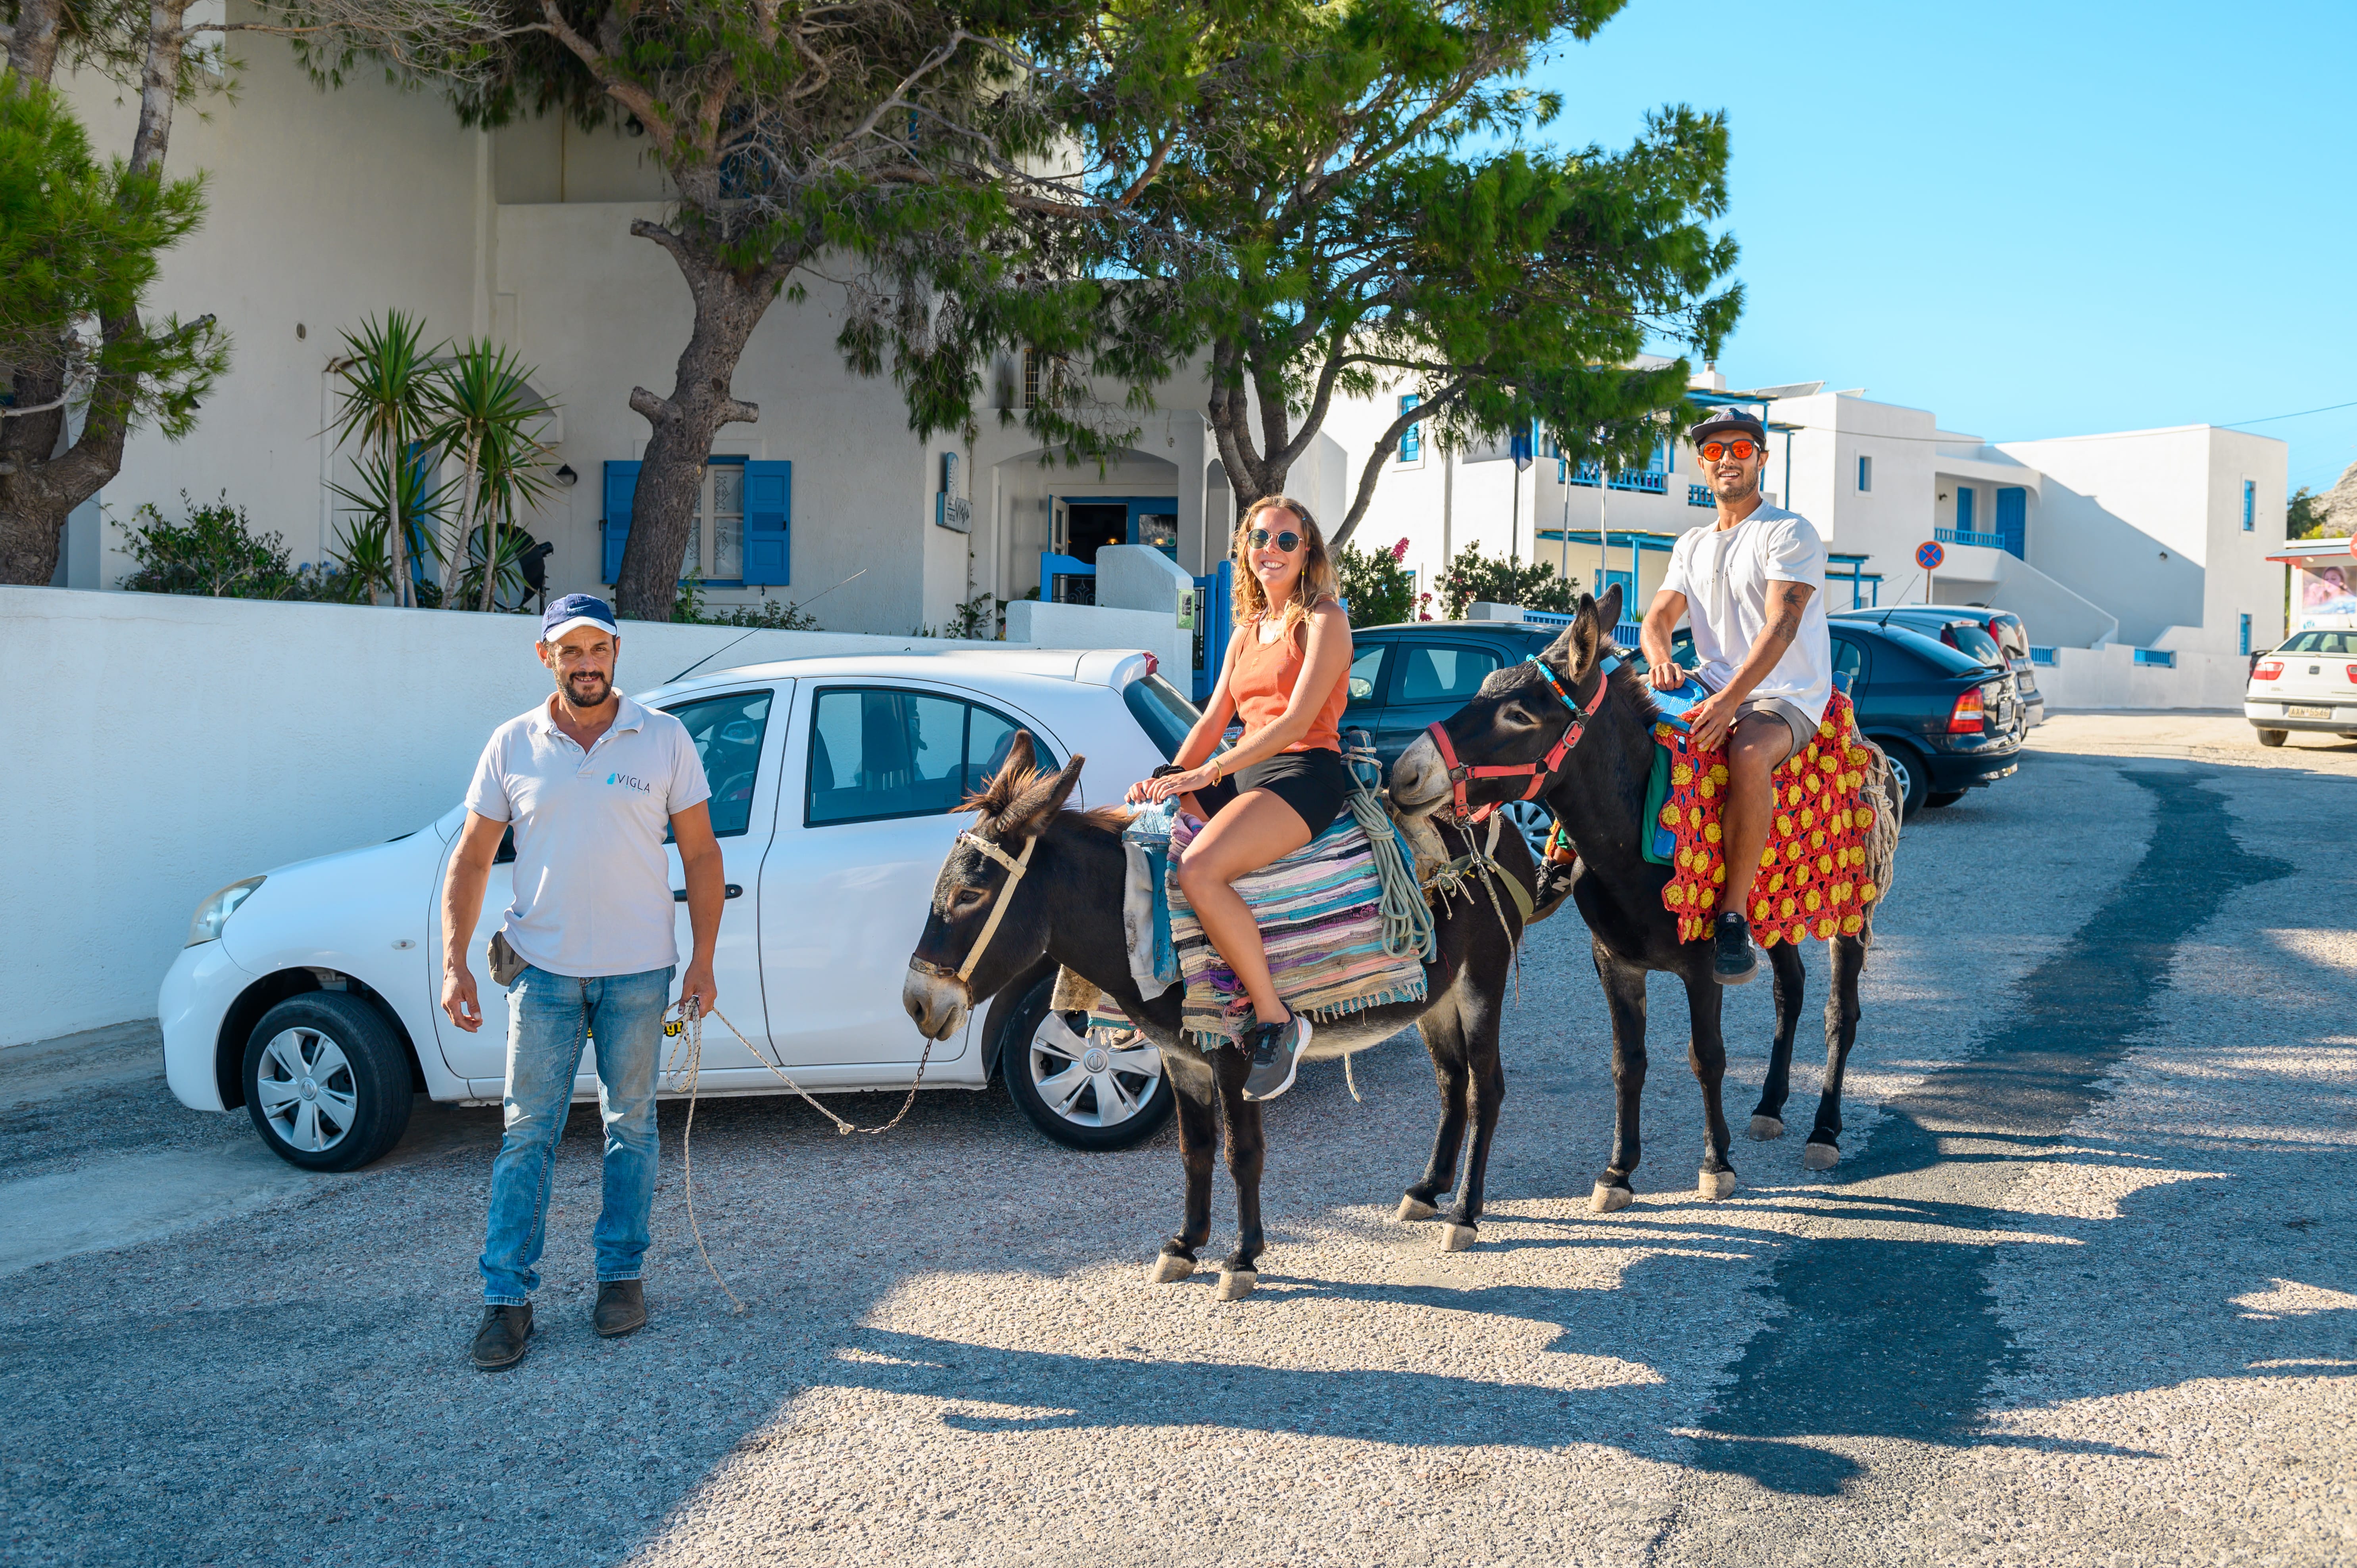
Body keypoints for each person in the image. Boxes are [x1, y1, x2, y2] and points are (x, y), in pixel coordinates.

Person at [440, 594, 725, 1370]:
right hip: (542, 976)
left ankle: (621, 1281)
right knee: (526, 1136)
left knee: (631, 1129)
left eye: (597, 649)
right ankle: (507, 1302)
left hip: (640, 973)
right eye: (570, 652)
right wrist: (453, 962)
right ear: (547, 659)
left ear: (616, 653)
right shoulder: (512, 744)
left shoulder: (663, 739)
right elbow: (471, 859)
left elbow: (700, 856)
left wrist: (701, 960)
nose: (586, 663)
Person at [1127, 496, 1354, 1101]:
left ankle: (1277, 1019)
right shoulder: (1248, 630)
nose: (1270, 551)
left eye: (1286, 540)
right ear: (1244, 548)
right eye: (1260, 538)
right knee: (1142, 830)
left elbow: (1295, 721)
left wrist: (1209, 772)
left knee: (1200, 870)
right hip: (1247, 768)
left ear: (1308, 552)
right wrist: (1171, 775)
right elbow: (1210, 720)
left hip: (1302, 772)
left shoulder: (1325, 619)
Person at [1639, 410, 1833, 985]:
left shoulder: (1787, 531)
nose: (1727, 457)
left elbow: (1782, 624)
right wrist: (1659, 660)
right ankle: (1566, 862)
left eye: (1741, 447)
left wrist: (1729, 703)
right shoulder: (1692, 542)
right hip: (1711, 680)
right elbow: (1656, 619)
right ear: (1702, 464)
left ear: (1761, 458)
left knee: (1746, 752)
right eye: (1714, 449)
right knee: (1607, 719)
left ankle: (1732, 915)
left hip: (1785, 691)